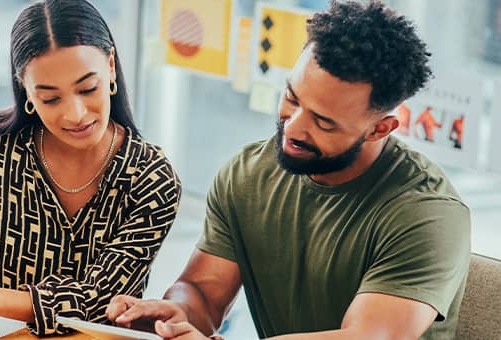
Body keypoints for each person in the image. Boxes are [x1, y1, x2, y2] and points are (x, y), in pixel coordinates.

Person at [107, 1, 470, 339]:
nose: (293, 128)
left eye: (323, 122)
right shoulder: (248, 175)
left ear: (380, 129)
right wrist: (178, 312)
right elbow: (204, 291)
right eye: (292, 98)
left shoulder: (428, 214)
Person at [0, 0, 182, 335]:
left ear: (111, 67)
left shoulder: (151, 178)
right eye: (50, 98)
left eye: (88, 88)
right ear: (25, 91)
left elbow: (103, 301)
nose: (76, 114)